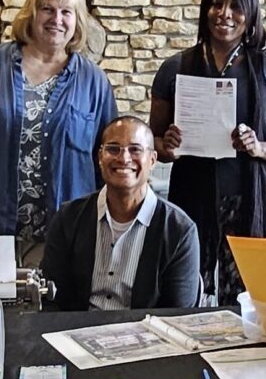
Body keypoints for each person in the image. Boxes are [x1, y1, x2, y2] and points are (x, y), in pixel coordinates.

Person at [149, 0, 266, 306]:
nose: (225, 14)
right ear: (206, 9)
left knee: (248, 297)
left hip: (250, 200)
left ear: (250, 18)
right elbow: (153, 143)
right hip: (192, 195)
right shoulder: (175, 67)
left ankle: (243, 356)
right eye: (217, 4)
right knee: (187, 290)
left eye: (236, 7)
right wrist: (167, 147)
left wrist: (259, 146)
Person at [0, 0, 118, 264]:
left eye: (66, 12)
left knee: (50, 306)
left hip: (64, 230)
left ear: (77, 22)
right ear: (32, 14)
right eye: (48, 9)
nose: (56, 19)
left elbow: (110, 154)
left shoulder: (94, 82)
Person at [40, 117, 200, 311]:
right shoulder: (68, 218)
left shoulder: (180, 230)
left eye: (135, 149)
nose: (123, 158)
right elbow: (51, 298)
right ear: (100, 157)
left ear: (152, 160)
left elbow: (177, 315)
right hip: (74, 333)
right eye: (113, 149)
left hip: (147, 337)